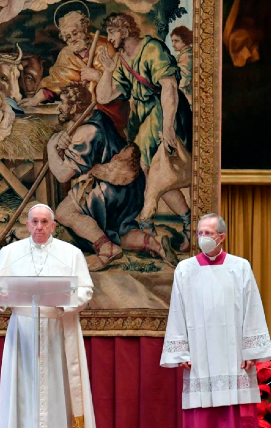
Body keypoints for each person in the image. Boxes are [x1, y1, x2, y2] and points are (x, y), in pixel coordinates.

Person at [160, 214, 271, 428]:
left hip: (234, 354)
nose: (202, 237)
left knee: (233, 416)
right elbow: (177, 312)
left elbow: (252, 308)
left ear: (221, 236)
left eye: (208, 232)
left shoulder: (240, 267)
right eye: (199, 232)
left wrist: (250, 349)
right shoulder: (185, 270)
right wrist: (181, 351)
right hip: (199, 355)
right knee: (204, 417)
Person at [0, 204, 100, 428]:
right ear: (26, 225)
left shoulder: (71, 254)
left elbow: (86, 290)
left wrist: (64, 303)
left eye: (45, 222)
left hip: (56, 330)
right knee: (20, 391)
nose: (39, 227)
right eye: (34, 222)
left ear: (54, 226)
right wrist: (2, 297)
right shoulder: (9, 253)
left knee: (53, 391)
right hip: (22, 333)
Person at [86, 13, 193, 252]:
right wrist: (106, 71)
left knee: (141, 169)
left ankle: (145, 224)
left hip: (165, 110)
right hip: (143, 117)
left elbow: (169, 86)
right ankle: (188, 222)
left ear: (124, 31)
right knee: (158, 176)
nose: (110, 38)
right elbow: (105, 96)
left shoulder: (152, 49)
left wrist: (167, 125)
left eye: (112, 33)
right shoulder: (122, 59)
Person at [49, 82, 174, 270]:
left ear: (74, 107)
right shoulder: (100, 117)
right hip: (132, 187)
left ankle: (106, 249)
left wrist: (51, 148)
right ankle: (153, 243)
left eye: (63, 102)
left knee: (64, 213)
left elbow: (62, 176)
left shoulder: (86, 132)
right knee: (120, 231)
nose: (59, 107)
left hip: (109, 188)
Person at [20, 9, 129, 133]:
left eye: (75, 33)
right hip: (81, 112)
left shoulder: (105, 47)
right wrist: (36, 99)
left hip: (108, 110)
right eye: (68, 37)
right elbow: (55, 82)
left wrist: (97, 76)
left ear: (84, 29)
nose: (72, 39)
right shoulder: (66, 55)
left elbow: (120, 84)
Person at [170, 26, 193, 106]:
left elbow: (183, 81)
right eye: (172, 41)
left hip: (185, 98)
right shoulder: (183, 55)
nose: (173, 44)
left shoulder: (186, 56)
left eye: (176, 41)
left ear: (185, 39)